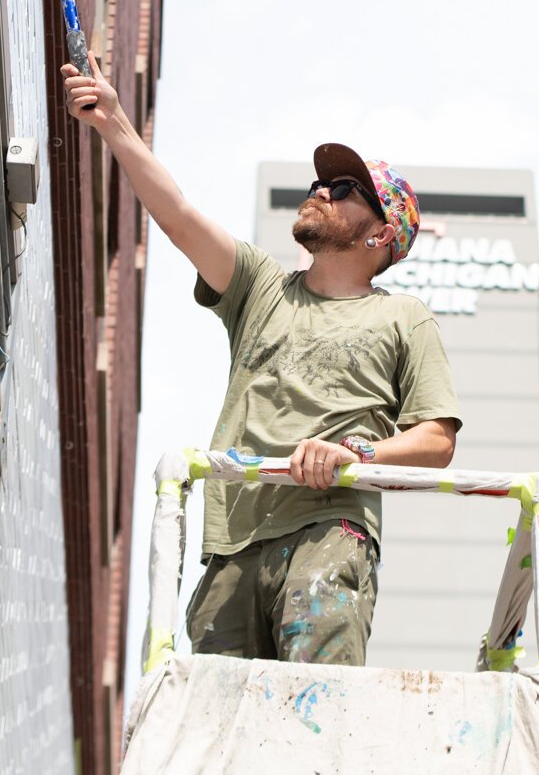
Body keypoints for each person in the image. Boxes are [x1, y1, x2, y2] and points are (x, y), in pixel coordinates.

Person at [61, 59, 461, 666]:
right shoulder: (260, 287)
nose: (320, 190)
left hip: (329, 530)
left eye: (347, 190)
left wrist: (358, 453)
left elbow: (436, 440)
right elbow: (178, 217)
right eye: (322, 182)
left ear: (381, 235)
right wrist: (114, 122)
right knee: (223, 731)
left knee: (315, 714)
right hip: (233, 543)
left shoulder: (403, 316)